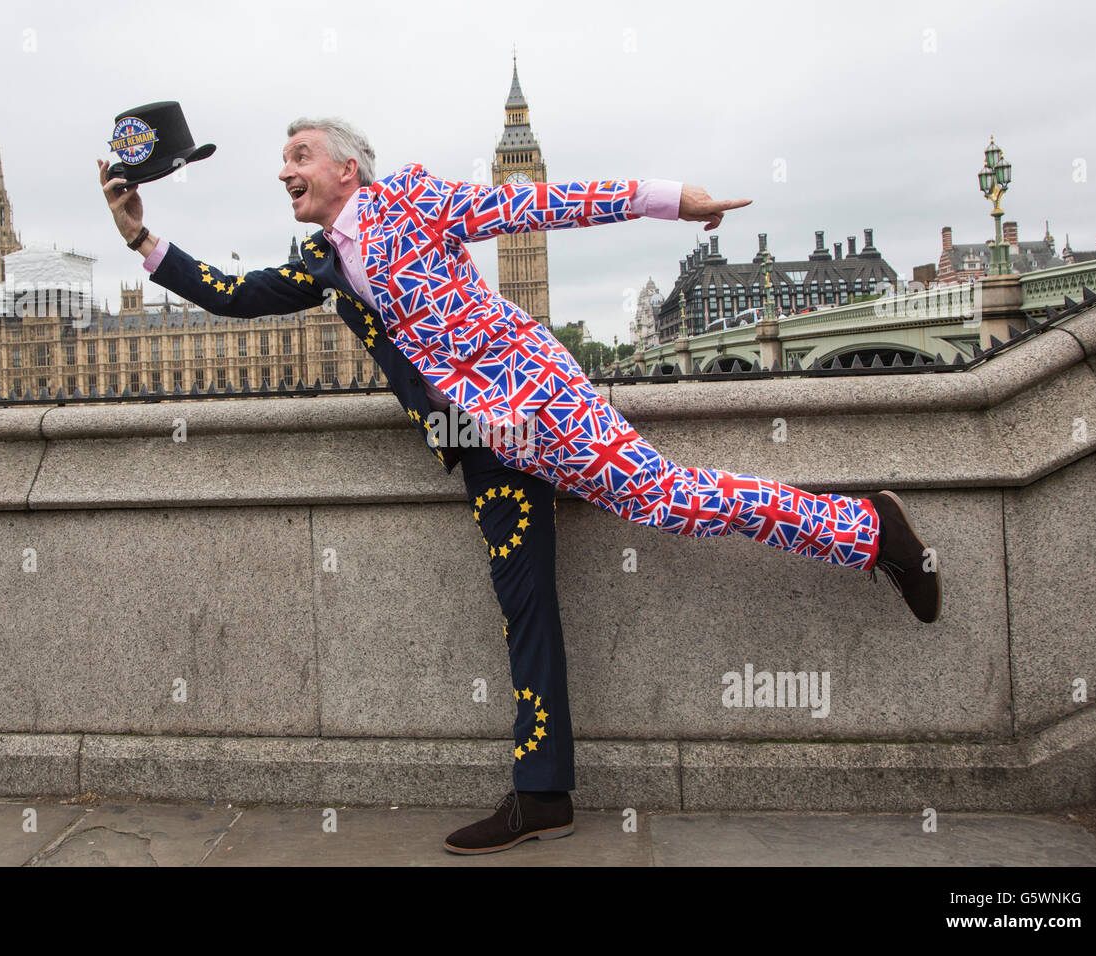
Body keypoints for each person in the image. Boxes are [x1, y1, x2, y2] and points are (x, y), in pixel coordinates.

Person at [97, 116, 940, 856]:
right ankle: (542, 794)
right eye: (283, 159)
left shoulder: (415, 200)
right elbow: (237, 295)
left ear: (347, 168)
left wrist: (667, 197)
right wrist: (142, 238)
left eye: (300, 154)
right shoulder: (324, 258)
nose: (285, 170)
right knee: (525, 601)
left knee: (666, 498)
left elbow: (538, 204)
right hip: (478, 442)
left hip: (537, 406)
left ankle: (868, 530)